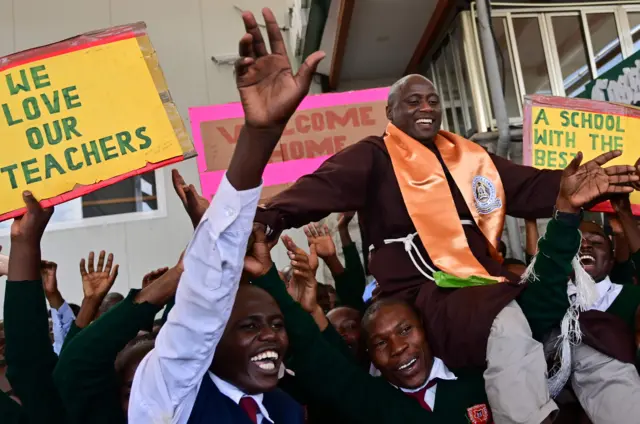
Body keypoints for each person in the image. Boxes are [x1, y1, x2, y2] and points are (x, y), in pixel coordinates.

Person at [253, 71, 575, 422]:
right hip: (418, 289)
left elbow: (529, 185)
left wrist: (579, 184)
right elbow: (322, 185)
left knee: (578, 335)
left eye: (433, 101)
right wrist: (270, 216)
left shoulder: (470, 158)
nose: (426, 107)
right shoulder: (373, 155)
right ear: (390, 112)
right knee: (505, 320)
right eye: (414, 101)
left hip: (479, 282)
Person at [127, 7, 325, 423]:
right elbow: (204, 298)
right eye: (249, 326)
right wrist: (259, 137)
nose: (270, 335)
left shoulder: (289, 412)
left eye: (274, 323)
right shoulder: (169, 399)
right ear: (210, 339)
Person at [246, 230, 491, 424]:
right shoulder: (371, 401)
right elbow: (313, 351)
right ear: (369, 356)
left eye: (405, 330)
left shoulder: (480, 377)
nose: (398, 347)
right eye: (381, 343)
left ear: (425, 328)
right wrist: (268, 275)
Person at [519, 155, 640, 423]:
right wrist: (564, 212)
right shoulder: (550, 304)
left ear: (612, 256)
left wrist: (623, 212)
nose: (585, 247)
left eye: (596, 242)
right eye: (578, 242)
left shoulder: (632, 298)